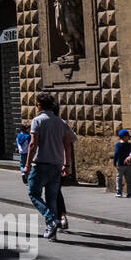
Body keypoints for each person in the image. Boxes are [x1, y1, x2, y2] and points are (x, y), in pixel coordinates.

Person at [21, 92, 76, 239]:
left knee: (33, 194)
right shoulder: (60, 122)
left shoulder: (37, 121)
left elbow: (33, 144)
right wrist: (67, 164)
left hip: (40, 164)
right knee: (52, 198)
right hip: (57, 165)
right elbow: (68, 144)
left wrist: (26, 165)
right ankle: (52, 232)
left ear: (39, 105)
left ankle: (51, 220)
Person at [113, 127, 131, 198]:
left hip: (120, 164)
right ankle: (129, 193)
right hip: (129, 165)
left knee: (119, 178)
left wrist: (114, 162)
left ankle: (119, 191)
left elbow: (116, 154)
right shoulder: (130, 145)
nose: (129, 138)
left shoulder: (118, 145)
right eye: (128, 137)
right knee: (129, 180)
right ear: (124, 137)